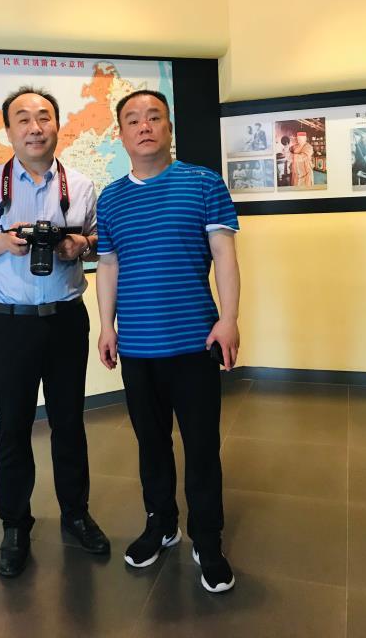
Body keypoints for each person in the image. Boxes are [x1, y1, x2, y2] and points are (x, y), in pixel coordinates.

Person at [0, 86, 110, 578]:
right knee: (13, 426)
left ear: (57, 125)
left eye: (43, 117)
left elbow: (100, 242)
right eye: (22, 119)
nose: (34, 127)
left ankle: (76, 514)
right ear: (8, 130)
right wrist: (3, 241)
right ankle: (15, 524)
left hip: (66, 320)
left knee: (69, 423)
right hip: (9, 324)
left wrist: (79, 245)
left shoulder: (81, 185)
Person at [96, 90, 240, 594]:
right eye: (133, 120)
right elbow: (108, 265)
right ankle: (161, 524)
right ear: (121, 135)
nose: (144, 126)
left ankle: (208, 537)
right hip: (138, 349)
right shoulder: (110, 198)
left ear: (168, 127)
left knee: (201, 447)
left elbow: (224, 256)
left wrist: (229, 319)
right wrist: (106, 326)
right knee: (151, 444)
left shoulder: (203, 183)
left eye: (154, 117)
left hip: (194, 343)